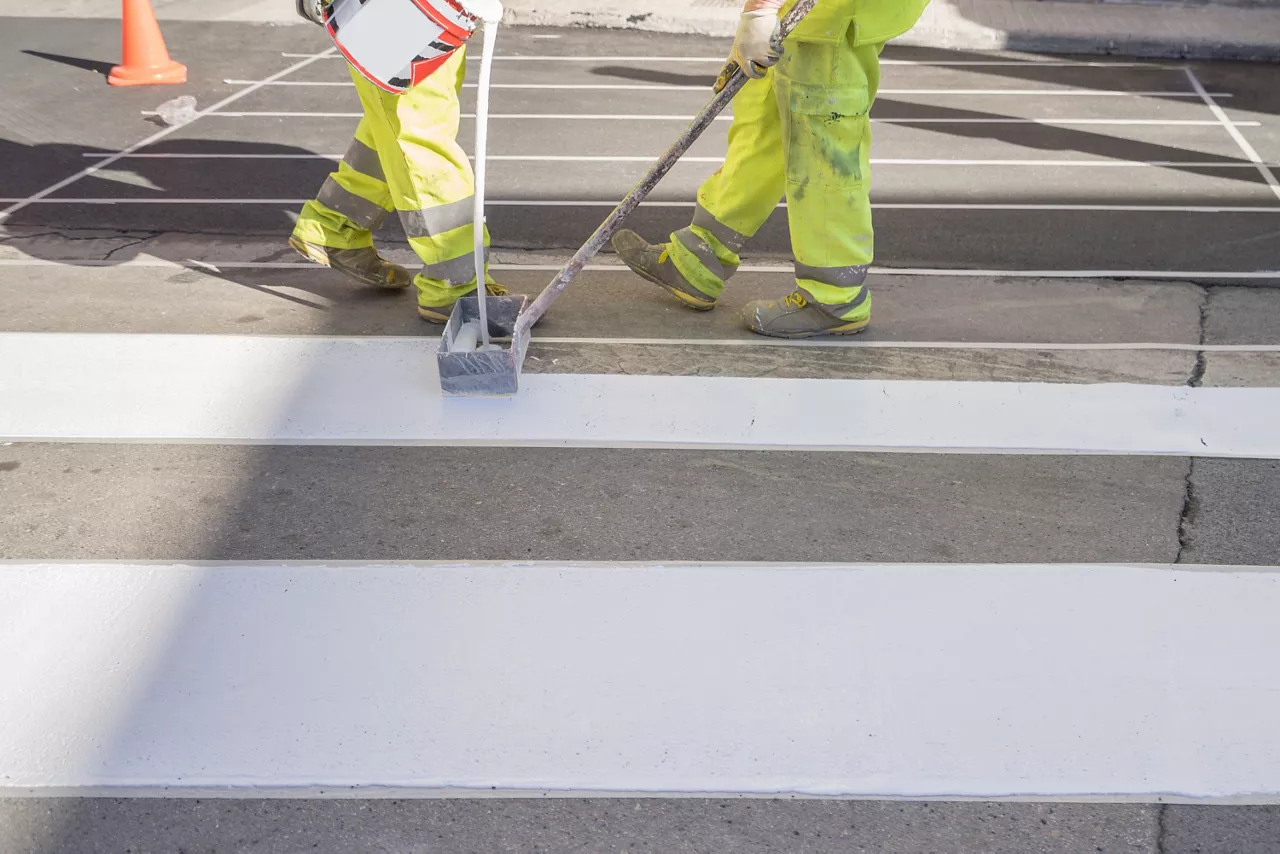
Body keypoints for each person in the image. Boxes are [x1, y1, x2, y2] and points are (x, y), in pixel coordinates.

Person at [612, 0, 929, 338]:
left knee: (820, 143)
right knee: (764, 115)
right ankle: (701, 256)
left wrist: (760, 10)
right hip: (804, 11)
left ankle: (833, 299)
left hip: (834, 14)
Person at [289, 0, 513, 323]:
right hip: (403, 10)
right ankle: (455, 284)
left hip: (420, 11)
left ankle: (334, 224)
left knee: (396, 120)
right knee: (419, 128)